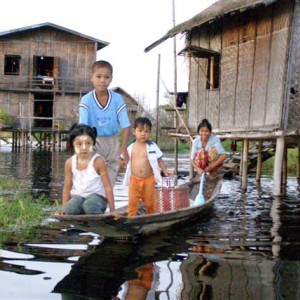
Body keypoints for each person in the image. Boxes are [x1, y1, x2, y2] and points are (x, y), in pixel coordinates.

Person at [78, 60, 131, 187]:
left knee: (109, 182)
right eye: (98, 76)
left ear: (111, 79)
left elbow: (126, 126)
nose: (102, 80)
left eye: (106, 77)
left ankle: (106, 205)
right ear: (92, 77)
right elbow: (83, 127)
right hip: (94, 141)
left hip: (113, 143)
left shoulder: (117, 99)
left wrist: (124, 149)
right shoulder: (86, 100)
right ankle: (91, 203)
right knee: (92, 179)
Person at [60, 123, 116, 216]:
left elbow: (107, 187)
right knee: (70, 209)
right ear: (72, 144)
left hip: (97, 197)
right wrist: (64, 208)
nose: (84, 148)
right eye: (79, 144)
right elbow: (67, 187)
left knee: (90, 205)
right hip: (78, 197)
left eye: (88, 143)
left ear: (93, 143)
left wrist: (112, 210)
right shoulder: (70, 163)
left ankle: (97, 222)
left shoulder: (98, 161)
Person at [123, 117, 174, 217]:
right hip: (134, 180)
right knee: (132, 202)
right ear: (134, 132)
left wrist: (165, 169)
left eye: (146, 131)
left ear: (150, 133)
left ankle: (151, 217)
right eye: (140, 131)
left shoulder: (152, 146)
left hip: (149, 180)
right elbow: (122, 160)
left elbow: (159, 159)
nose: (143, 134)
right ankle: (131, 218)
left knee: (150, 203)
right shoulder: (130, 147)